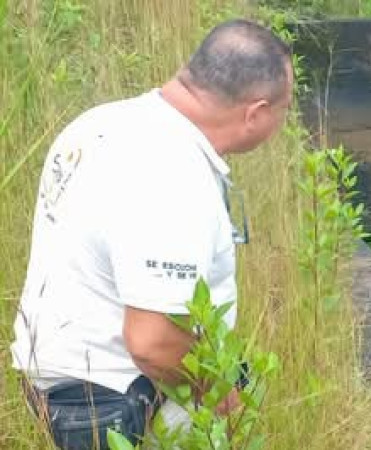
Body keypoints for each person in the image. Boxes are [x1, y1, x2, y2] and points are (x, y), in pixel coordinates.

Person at [10, 19, 293, 449]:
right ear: (255, 113)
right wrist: (226, 400)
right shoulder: (170, 169)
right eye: (283, 110)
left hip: (67, 392)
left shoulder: (103, 122)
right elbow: (153, 341)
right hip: (114, 407)